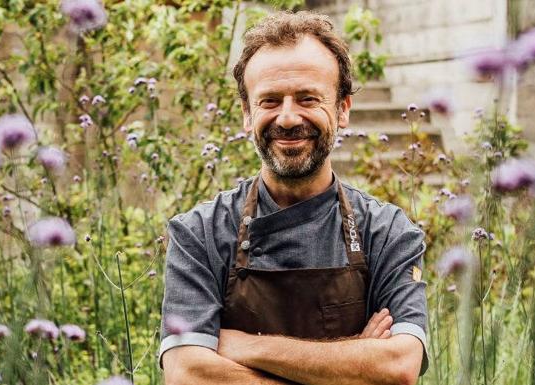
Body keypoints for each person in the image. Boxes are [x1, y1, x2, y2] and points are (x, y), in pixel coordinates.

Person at [159, 10, 428, 385]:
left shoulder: (388, 233)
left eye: (307, 98)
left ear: (343, 108)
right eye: (269, 101)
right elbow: (188, 374)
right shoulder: (199, 233)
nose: (287, 118)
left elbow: (397, 367)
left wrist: (244, 347)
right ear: (247, 115)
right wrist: (353, 366)